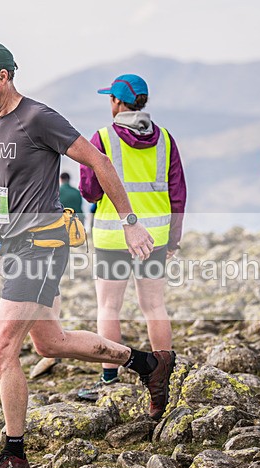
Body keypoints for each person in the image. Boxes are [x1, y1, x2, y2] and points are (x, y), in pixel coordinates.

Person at [0, 41, 176, 468]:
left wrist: (130, 221)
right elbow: (4, 195)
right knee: (49, 343)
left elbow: (98, 161)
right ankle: (147, 365)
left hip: (41, 248)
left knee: (1, 349)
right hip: (17, 247)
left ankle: (15, 456)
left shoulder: (38, 117)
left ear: (3, 76)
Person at [77, 74, 187, 401]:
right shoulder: (166, 139)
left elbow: (90, 191)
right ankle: (162, 373)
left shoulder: (103, 138)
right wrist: (173, 239)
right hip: (155, 236)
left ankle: (109, 379)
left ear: (117, 101)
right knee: (154, 305)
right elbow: (178, 193)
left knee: (109, 306)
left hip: (113, 235)